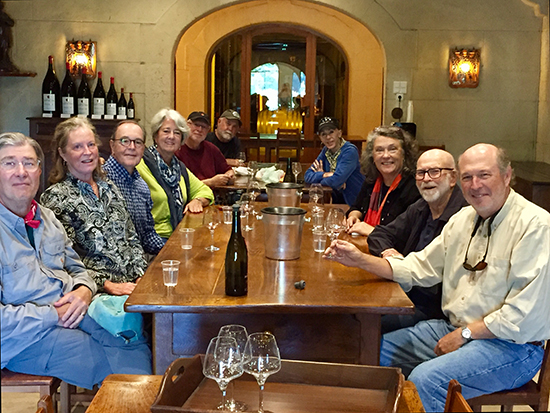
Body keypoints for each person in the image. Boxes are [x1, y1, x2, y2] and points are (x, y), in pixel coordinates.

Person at [325, 143, 550, 411]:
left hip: (511, 346)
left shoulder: (536, 225)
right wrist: (360, 260)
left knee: (427, 379)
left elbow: (522, 313)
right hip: (454, 327)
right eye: (468, 177)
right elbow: (418, 267)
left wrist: (466, 333)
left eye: (484, 175)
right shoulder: (463, 219)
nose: (475, 185)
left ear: (507, 175)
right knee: (369, 353)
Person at [0, 132, 152, 389]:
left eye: (29, 163)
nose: (21, 172)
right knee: (110, 366)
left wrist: (84, 289)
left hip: (74, 311)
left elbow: (76, 267)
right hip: (24, 337)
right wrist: (52, 314)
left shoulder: (45, 217)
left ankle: (144, 399)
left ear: (39, 170)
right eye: (9, 163)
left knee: (131, 334)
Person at [40, 117, 147, 296]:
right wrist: (107, 285)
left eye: (91, 145)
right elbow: (62, 260)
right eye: (77, 147)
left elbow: (131, 237)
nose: (87, 152)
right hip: (96, 292)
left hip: (133, 284)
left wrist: (140, 276)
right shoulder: (55, 198)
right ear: (63, 154)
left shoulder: (109, 186)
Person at [368, 149, 467, 333]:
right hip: (406, 293)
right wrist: (388, 252)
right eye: (421, 173)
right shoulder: (422, 207)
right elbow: (379, 234)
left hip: (436, 312)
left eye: (434, 172)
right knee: (360, 310)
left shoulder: (465, 215)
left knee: (366, 326)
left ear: (453, 178)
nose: (426, 179)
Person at [136, 108, 214, 240]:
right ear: (156, 136)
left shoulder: (178, 167)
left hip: (179, 235)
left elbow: (205, 190)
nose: (171, 137)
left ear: (181, 140)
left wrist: (198, 200)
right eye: (166, 131)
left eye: (177, 133)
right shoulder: (140, 165)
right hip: (153, 241)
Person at [103, 120, 165, 255]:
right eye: (125, 141)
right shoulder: (101, 182)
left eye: (138, 142)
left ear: (143, 149)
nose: (132, 147)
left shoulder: (141, 186)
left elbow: (147, 235)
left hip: (140, 262)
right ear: (112, 146)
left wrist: (171, 250)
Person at [346, 125, 420, 236]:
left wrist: (372, 231)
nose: (386, 155)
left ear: (404, 154)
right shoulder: (372, 180)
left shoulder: (414, 187)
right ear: (372, 156)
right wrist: (354, 216)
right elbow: (357, 207)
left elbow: (407, 234)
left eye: (392, 149)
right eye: (379, 150)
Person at [304, 117, 365, 205]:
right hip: (338, 201)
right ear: (320, 138)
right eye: (323, 134)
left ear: (339, 133)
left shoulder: (349, 151)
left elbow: (336, 181)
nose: (328, 137)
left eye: (331, 132)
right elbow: (307, 176)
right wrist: (325, 174)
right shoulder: (326, 151)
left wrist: (324, 178)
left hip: (355, 203)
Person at [175, 111, 235, 188]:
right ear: (187, 125)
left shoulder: (211, 149)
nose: (199, 129)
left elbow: (228, 170)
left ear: (208, 130)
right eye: (196, 125)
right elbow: (179, 186)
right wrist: (211, 182)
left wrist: (228, 176)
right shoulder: (176, 150)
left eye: (203, 127)